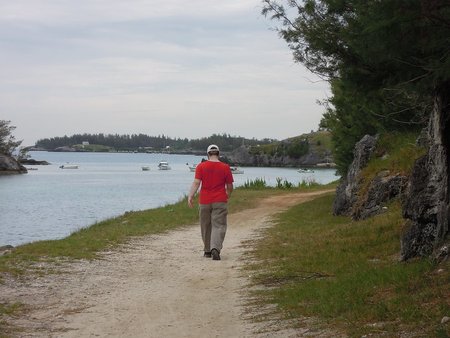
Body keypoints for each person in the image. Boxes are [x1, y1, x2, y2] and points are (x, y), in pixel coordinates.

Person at [188, 144, 234, 261]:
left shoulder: (201, 166)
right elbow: (229, 186)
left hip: (204, 201)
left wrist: (190, 196)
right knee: (218, 225)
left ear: (208, 154)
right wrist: (227, 194)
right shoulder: (225, 167)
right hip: (220, 200)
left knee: (205, 225)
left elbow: (196, 183)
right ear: (218, 153)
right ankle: (215, 248)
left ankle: (207, 250)